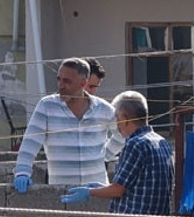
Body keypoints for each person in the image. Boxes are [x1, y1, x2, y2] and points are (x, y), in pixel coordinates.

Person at [60, 91, 173, 217]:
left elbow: (119, 189)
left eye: (117, 119)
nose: (117, 125)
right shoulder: (161, 142)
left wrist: (90, 192)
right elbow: (135, 186)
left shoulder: (134, 144)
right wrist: (103, 186)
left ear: (125, 117)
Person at [13, 58, 123, 192]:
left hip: (96, 192)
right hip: (60, 193)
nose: (61, 86)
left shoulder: (103, 109)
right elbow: (30, 143)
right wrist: (22, 172)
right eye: (59, 79)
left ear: (83, 83)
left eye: (67, 81)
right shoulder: (47, 106)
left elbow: (122, 135)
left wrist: (104, 155)